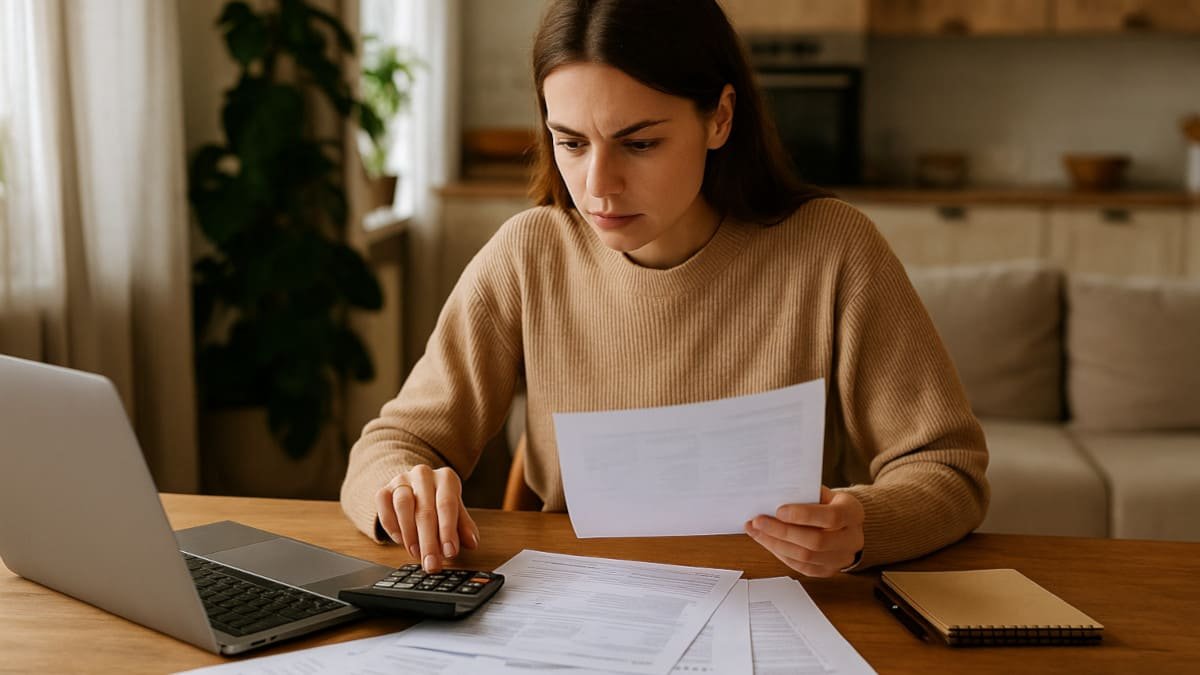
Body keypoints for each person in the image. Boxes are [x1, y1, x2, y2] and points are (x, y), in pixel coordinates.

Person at [340, 0, 988, 578]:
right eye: (570, 142)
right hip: (580, 606)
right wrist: (401, 489)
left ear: (720, 118)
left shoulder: (833, 249)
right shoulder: (529, 252)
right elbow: (392, 443)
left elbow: (949, 469)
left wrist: (863, 525)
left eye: (640, 142)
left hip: (775, 602)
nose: (598, 185)